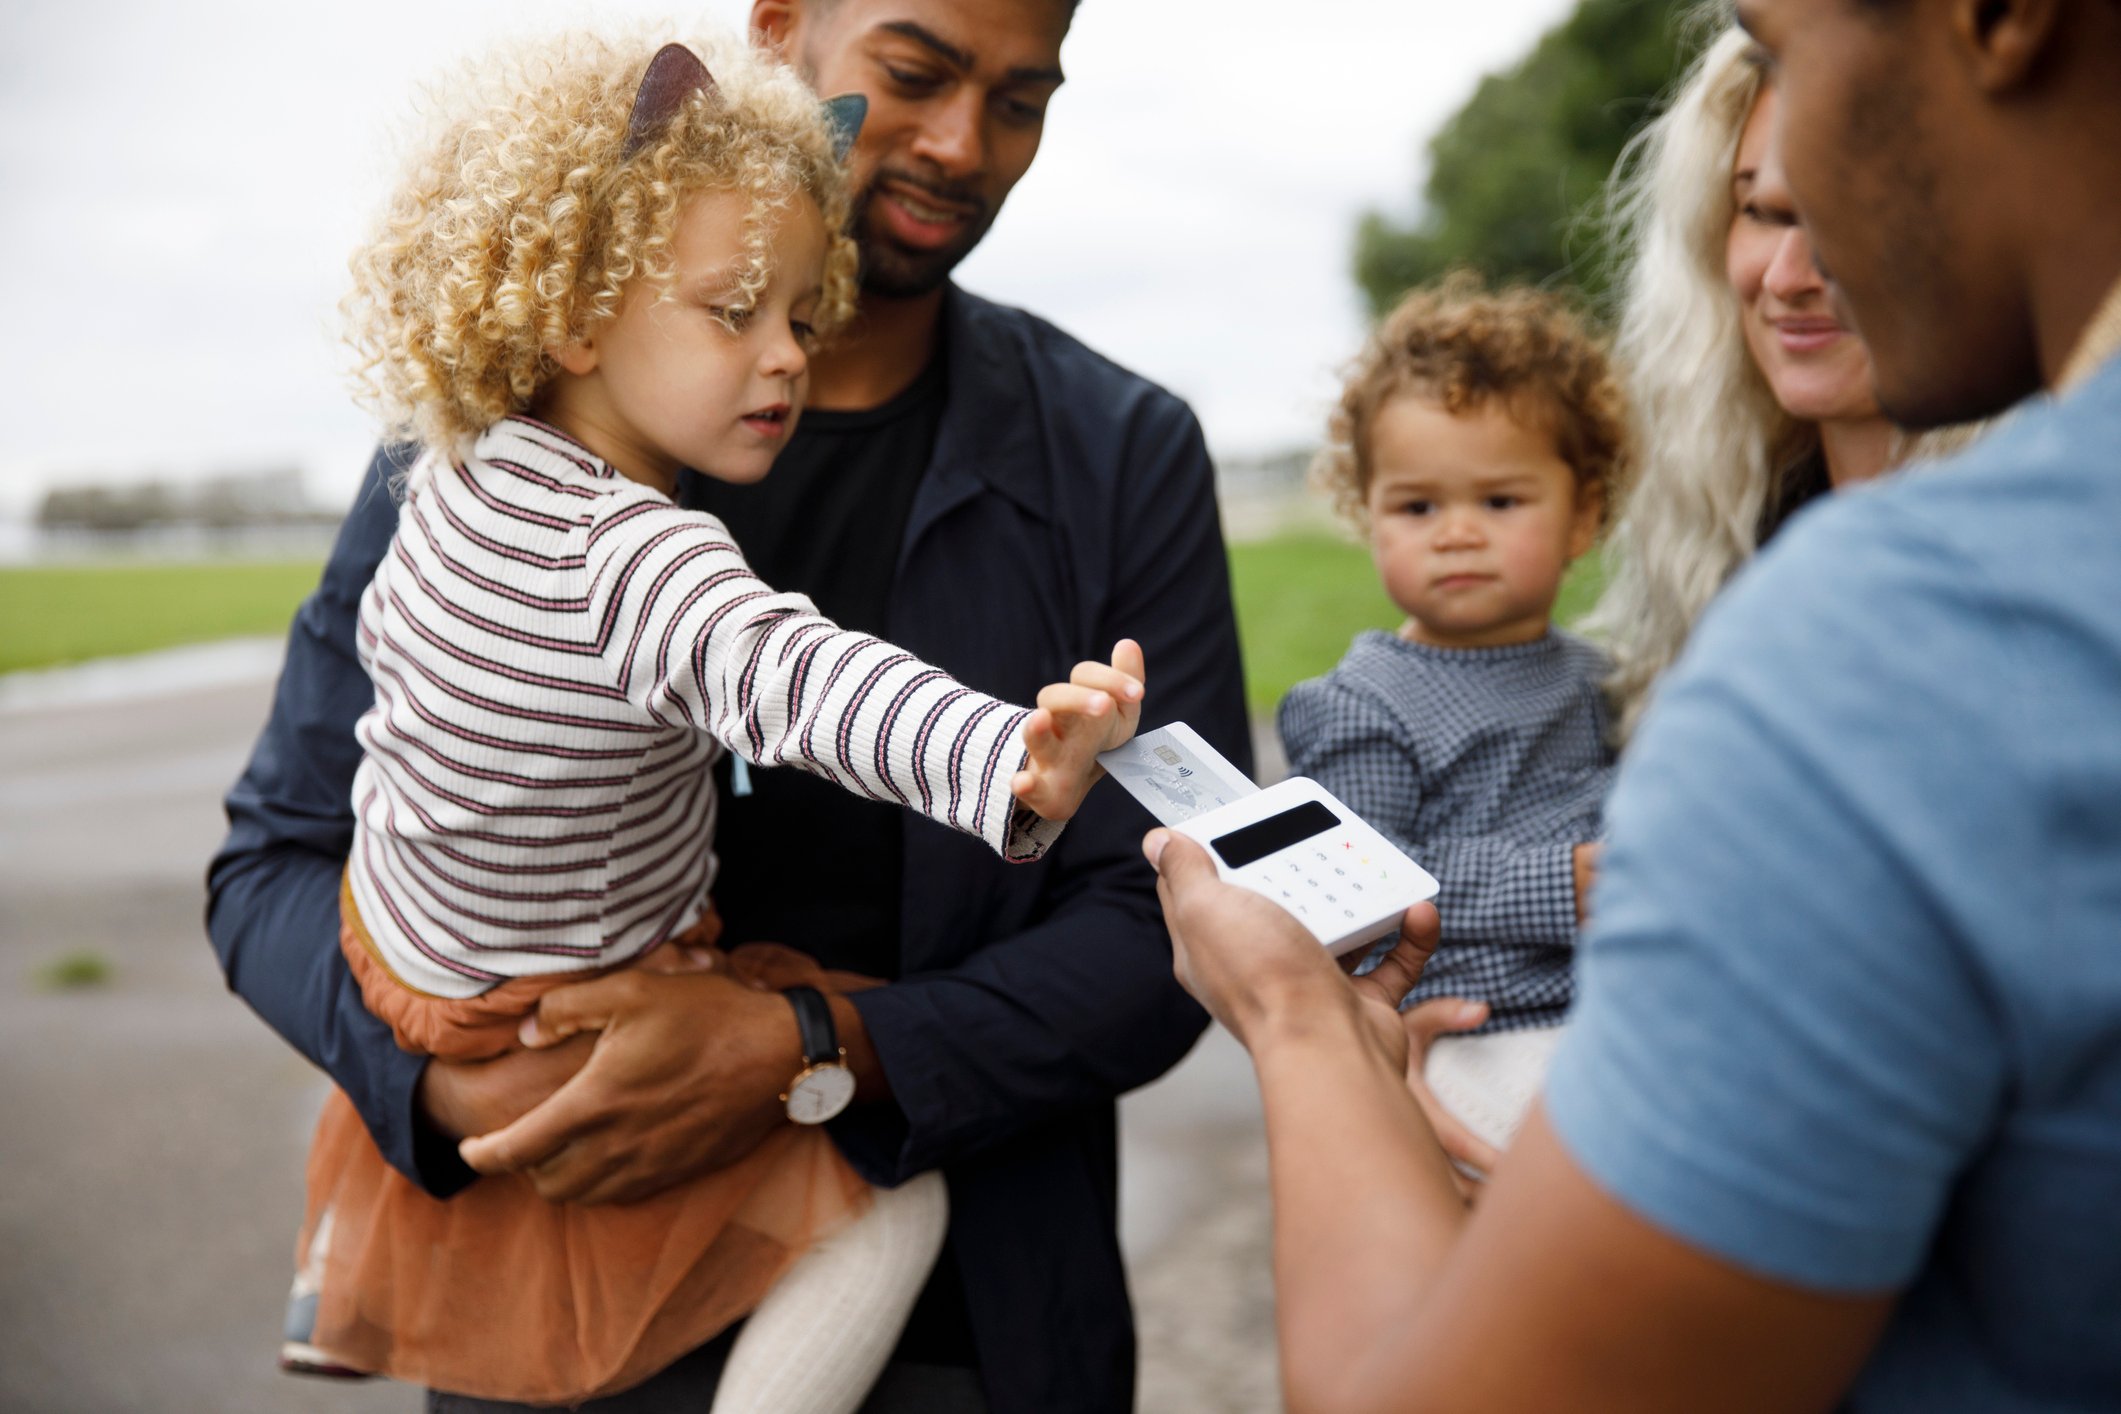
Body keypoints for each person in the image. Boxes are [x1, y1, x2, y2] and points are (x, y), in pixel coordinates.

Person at [206, 1, 1251, 1409]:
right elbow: (273, 856)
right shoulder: (466, 454)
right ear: (779, 30)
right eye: (916, 70)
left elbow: (1166, 920)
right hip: (552, 1273)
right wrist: (468, 1091)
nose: (961, 142)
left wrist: (808, 1047)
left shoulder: (1120, 453)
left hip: (974, 1334)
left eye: (1019, 98)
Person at [1145, 0, 2121, 1405]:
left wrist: (1297, 1015)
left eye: (1783, 48)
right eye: (1746, 206)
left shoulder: (1903, 638)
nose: (1798, 242)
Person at [1278, 276, 1624, 1148]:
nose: (1455, 532)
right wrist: (1561, 884)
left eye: (1498, 502)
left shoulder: (1607, 680)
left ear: (1583, 513)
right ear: (1369, 512)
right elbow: (1356, 892)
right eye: (1417, 506)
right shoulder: (1362, 705)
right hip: (1469, 1033)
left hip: (1618, 1006)